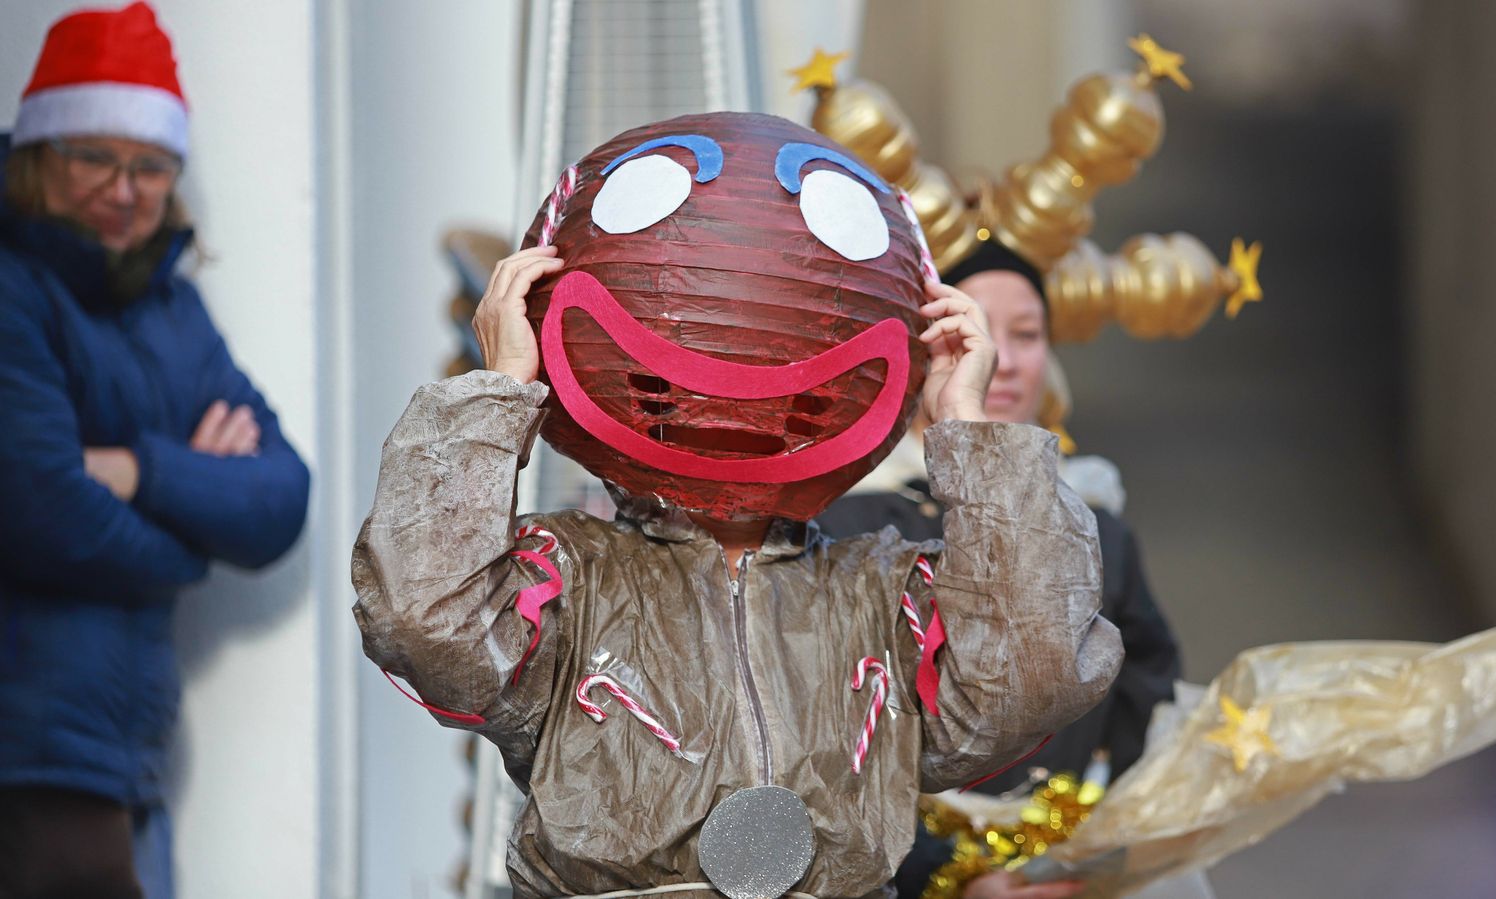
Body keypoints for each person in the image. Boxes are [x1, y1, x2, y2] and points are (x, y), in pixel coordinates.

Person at [353, 111, 1123, 898]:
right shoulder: (572, 576)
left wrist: (969, 430)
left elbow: (1035, 674)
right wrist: (498, 390)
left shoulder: (881, 590)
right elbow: (424, 622)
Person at [0, 4, 311, 897]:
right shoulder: (14, 288)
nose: (125, 189)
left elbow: (281, 497)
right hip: (31, 755)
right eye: (94, 157)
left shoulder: (174, 311)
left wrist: (139, 469)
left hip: (127, 757)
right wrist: (191, 540)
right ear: (41, 155)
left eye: (149, 166)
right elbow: (41, 510)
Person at [818, 240, 1182, 899]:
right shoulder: (848, 524)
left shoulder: (1097, 529)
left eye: (1027, 335)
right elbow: (823, 736)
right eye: (975, 332)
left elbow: (1146, 709)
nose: (1002, 360)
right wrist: (946, 875)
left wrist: (1094, 856)